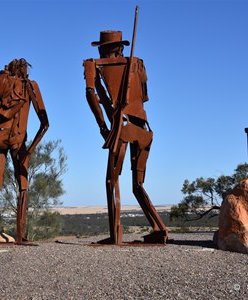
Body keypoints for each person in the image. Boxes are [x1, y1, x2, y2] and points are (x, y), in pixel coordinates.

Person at [83, 30, 168, 244]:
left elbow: (91, 94)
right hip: (144, 129)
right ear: (120, 47)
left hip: (122, 127)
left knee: (111, 180)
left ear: (103, 48)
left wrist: (103, 126)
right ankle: (160, 229)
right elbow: (145, 97)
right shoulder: (138, 63)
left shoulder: (93, 63)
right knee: (137, 185)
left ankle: (116, 234)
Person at [0, 58, 49, 243]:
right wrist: (30, 151)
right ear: (24, 70)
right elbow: (45, 124)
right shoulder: (29, 86)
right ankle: (20, 236)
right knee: (23, 187)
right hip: (18, 140)